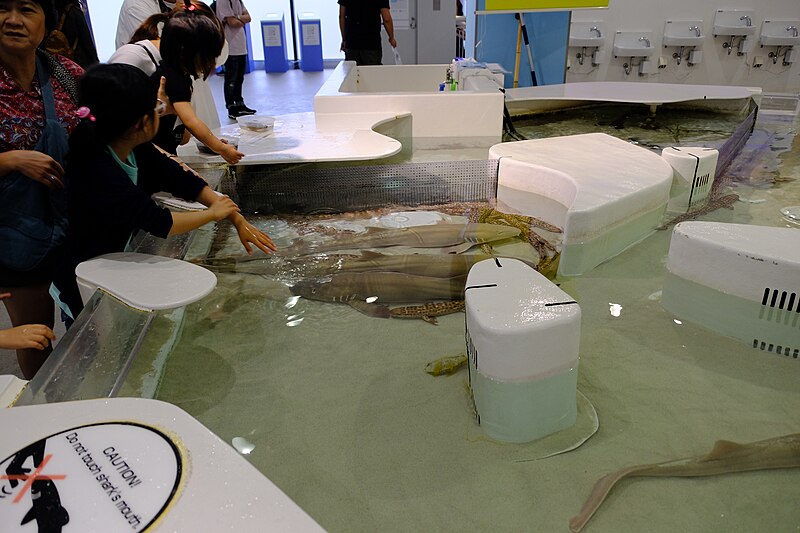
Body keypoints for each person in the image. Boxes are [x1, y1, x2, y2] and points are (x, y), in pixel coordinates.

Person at [51, 63, 276, 322]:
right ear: (141, 122)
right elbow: (159, 222)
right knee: (90, 342)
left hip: (115, 258)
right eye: (158, 108)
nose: (162, 111)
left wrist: (234, 218)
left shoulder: (129, 143)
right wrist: (214, 214)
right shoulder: (96, 167)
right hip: (85, 274)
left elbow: (178, 177)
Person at [0, 0, 83, 379]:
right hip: (13, 236)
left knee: (88, 327)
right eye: (2, 8)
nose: (13, 20)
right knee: (36, 341)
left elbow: (102, 124)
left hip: (73, 226)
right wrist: (11, 160)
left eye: (26, 9)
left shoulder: (66, 74)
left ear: (47, 21)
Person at [111, 2, 242, 164]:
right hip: (126, 157)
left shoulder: (176, 70)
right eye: (205, 59)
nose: (206, 67)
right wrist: (220, 148)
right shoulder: (133, 59)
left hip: (155, 151)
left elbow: (184, 136)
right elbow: (190, 121)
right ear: (188, 51)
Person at [215, 0, 256, 119]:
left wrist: (238, 18)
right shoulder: (223, 1)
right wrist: (239, 19)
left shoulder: (237, 1)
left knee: (239, 77)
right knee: (231, 79)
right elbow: (233, 23)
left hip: (241, 46)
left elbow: (248, 17)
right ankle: (231, 107)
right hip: (230, 46)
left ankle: (240, 104)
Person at [338, 0, 396, 66]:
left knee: (353, 74)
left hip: (352, 43)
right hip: (371, 44)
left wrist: (344, 39)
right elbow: (386, 19)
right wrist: (391, 38)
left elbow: (341, 16)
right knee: (372, 74)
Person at [50, 0, 97, 68]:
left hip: (57, 63)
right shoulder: (74, 12)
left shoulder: (52, 12)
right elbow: (87, 41)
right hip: (78, 62)